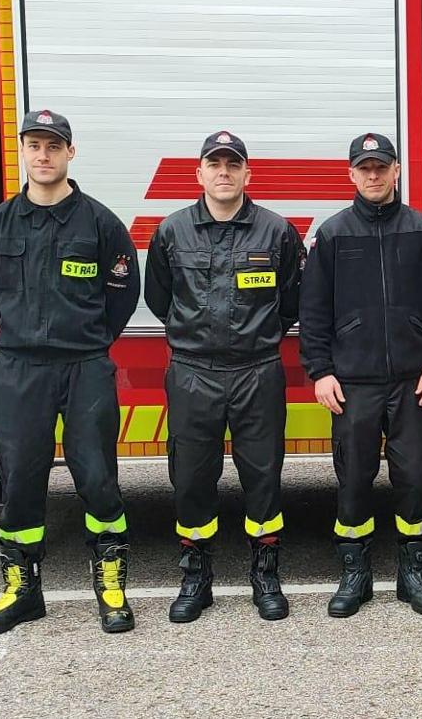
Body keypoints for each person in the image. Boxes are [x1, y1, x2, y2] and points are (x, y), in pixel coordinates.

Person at [0, 110, 141, 635]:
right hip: (22, 369)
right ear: (22, 151)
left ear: (71, 153)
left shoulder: (100, 223)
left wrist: (88, 343)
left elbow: (122, 293)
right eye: (34, 145)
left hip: (85, 365)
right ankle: (22, 590)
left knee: (97, 476)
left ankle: (110, 583)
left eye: (53, 146)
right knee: (21, 476)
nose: (43, 155)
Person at [145, 130, 306, 623]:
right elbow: (158, 297)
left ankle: (265, 573)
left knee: (263, 476)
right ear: (198, 174)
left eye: (232, 164)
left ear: (246, 174)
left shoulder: (276, 232)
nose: (223, 172)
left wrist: (258, 339)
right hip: (193, 372)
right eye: (214, 164)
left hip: (257, 371)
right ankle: (196, 576)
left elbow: (292, 302)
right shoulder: (171, 231)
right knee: (192, 478)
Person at [300, 133, 422, 617]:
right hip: (352, 383)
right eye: (364, 168)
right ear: (351, 174)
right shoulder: (332, 234)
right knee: (353, 480)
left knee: (412, 478)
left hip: (412, 380)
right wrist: (321, 371)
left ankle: (414, 574)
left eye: (381, 167)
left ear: (396, 172)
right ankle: (356, 575)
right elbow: (313, 312)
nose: (373, 175)